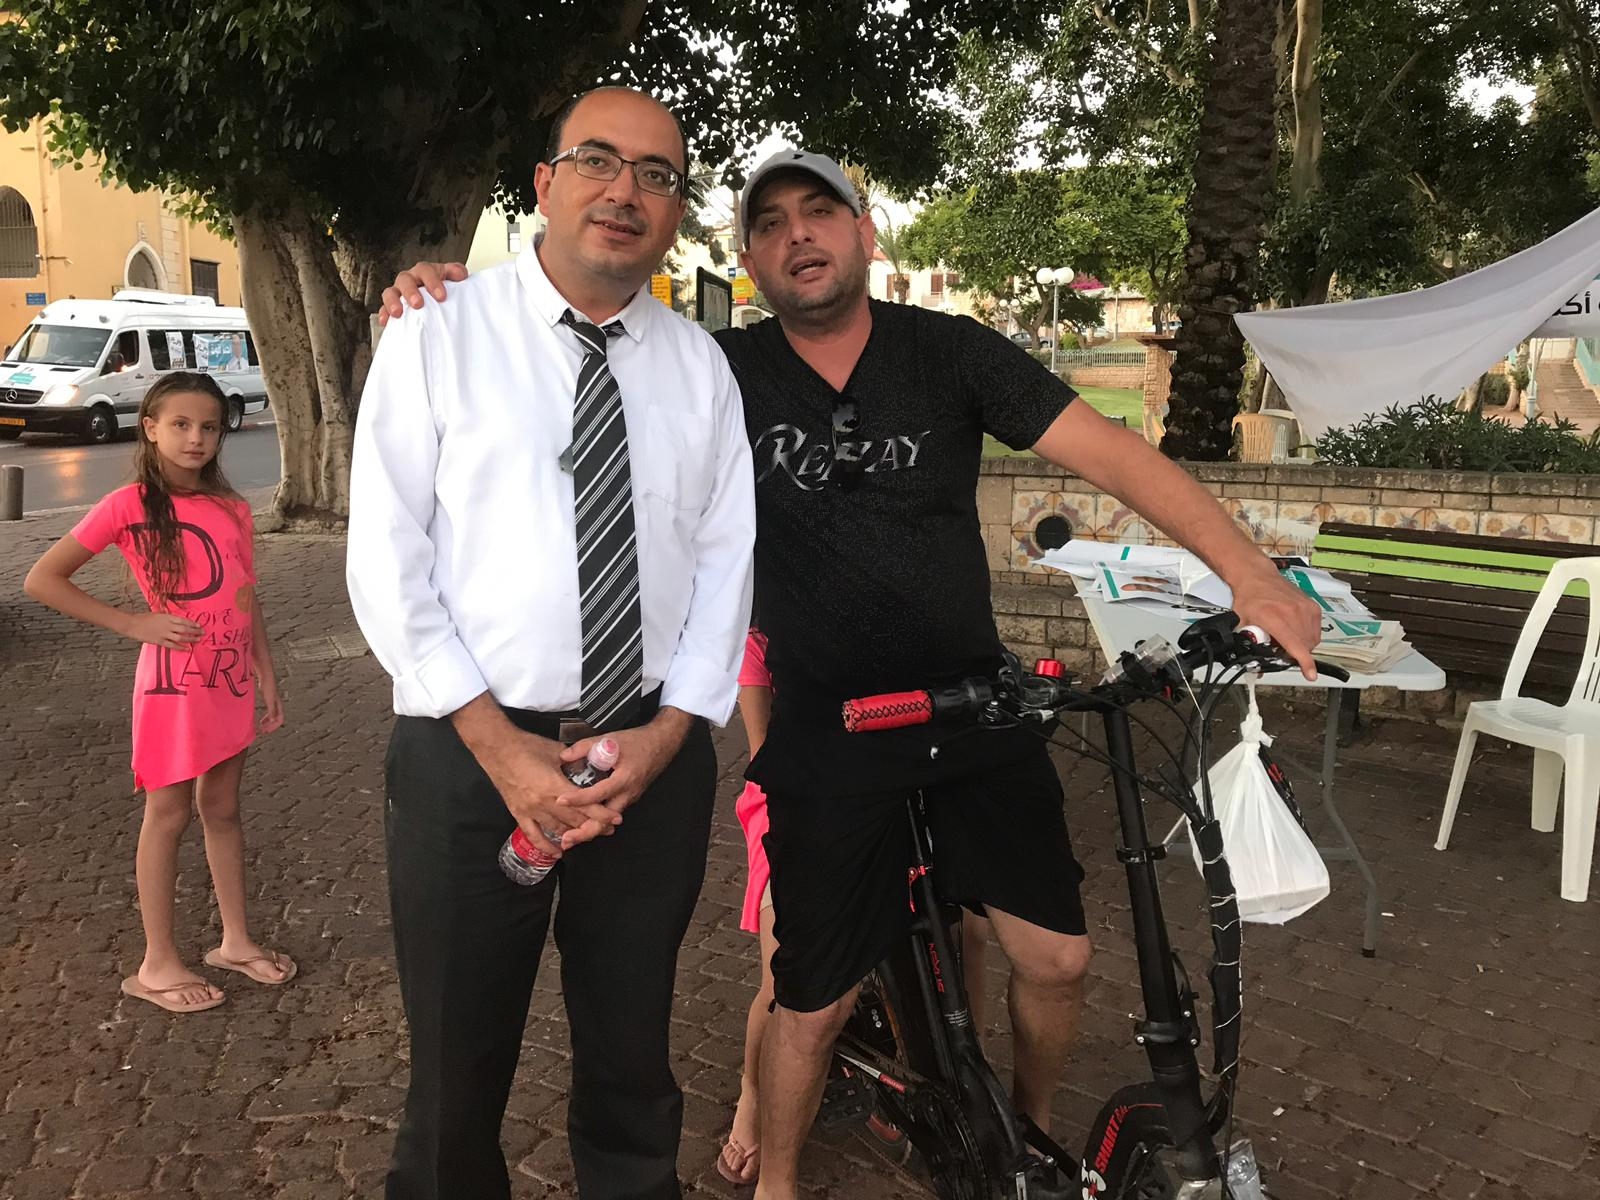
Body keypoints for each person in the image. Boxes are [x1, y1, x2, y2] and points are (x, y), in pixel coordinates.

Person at [380, 149, 1321, 1200]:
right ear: (748, 258)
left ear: (865, 233)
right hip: (829, 723)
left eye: (819, 212)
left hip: (973, 704)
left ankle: (1020, 1139)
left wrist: (1248, 573)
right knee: (811, 1000)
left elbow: (1113, 453)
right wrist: (451, 294)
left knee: (1057, 960)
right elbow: (577, 351)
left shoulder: (950, 352)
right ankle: (778, 1181)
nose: (798, 235)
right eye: (769, 222)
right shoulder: (714, 368)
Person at [347, 86, 754, 1200]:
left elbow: (726, 565)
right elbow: (386, 556)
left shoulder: (700, 367)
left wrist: (671, 736)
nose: (626, 191)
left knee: (632, 1047)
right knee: (455, 1056)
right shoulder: (437, 331)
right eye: (598, 160)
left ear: (676, 212)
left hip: (647, 760)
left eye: (658, 175)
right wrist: (497, 747)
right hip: (468, 756)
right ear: (544, 183)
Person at [23, 371, 291, 1015]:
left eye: (208, 426)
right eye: (180, 424)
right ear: (150, 428)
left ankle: (234, 939)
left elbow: (245, 595)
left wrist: (265, 669)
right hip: (173, 686)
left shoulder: (232, 508)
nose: (196, 438)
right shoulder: (128, 505)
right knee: (167, 815)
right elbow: (43, 579)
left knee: (222, 807)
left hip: (228, 679)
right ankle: (156, 962)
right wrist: (132, 624)